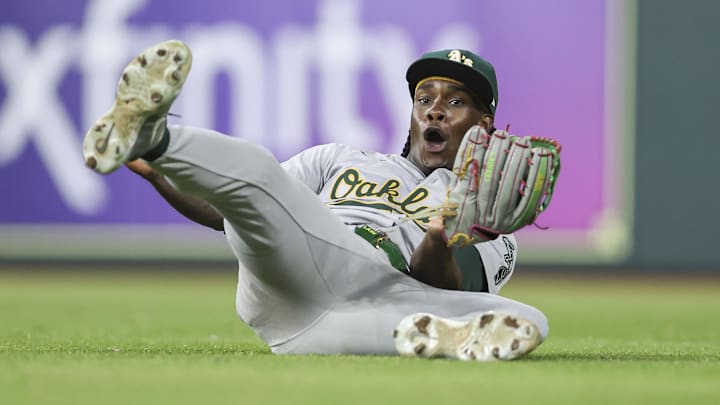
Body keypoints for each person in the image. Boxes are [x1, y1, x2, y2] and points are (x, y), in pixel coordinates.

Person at [82, 40, 548, 361]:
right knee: (263, 177)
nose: (434, 108)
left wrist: (444, 232)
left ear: (483, 123)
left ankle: (446, 340)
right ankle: (154, 137)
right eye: (424, 96)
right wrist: (159, 173)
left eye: (456, 100)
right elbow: (234, 207)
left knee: (528, 320)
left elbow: (441, 284)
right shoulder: (340, 159)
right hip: (296, 270)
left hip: (361, 310)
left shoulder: (488, 213)